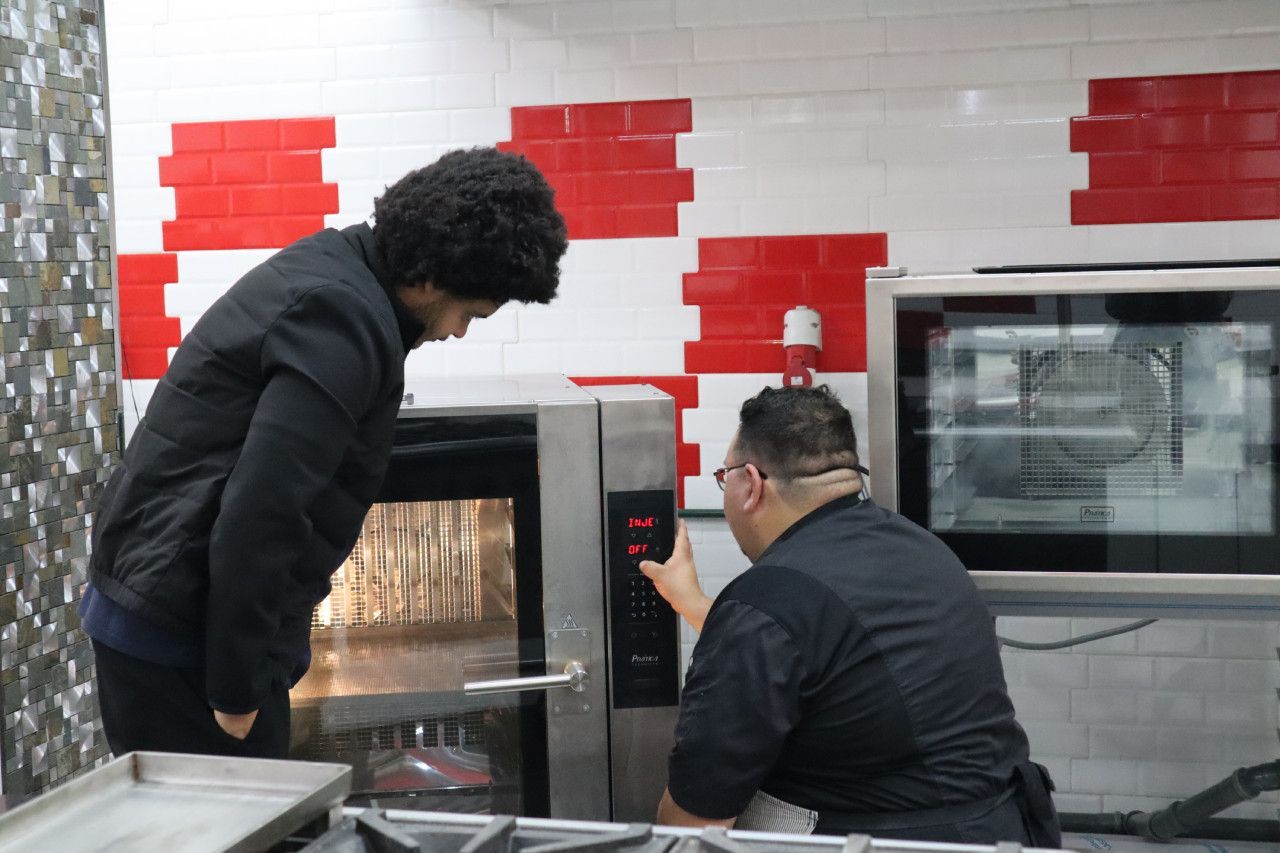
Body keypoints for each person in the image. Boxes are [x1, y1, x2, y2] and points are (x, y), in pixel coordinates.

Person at [82, 147, 568, 759]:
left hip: (170, 612)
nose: (457, 333)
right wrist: (236, 691)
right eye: (467, 313)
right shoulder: (342, 318)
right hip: (184, 636)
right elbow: (264, 510)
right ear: (429, 278)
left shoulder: (335, 270)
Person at [639, 385, 1061, 845]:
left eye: (725, 476)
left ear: (752, 484)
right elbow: (823, 661)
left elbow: (694, 821)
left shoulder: (765, 604)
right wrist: (693, 601)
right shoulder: (920, 548)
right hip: (1001, 831)